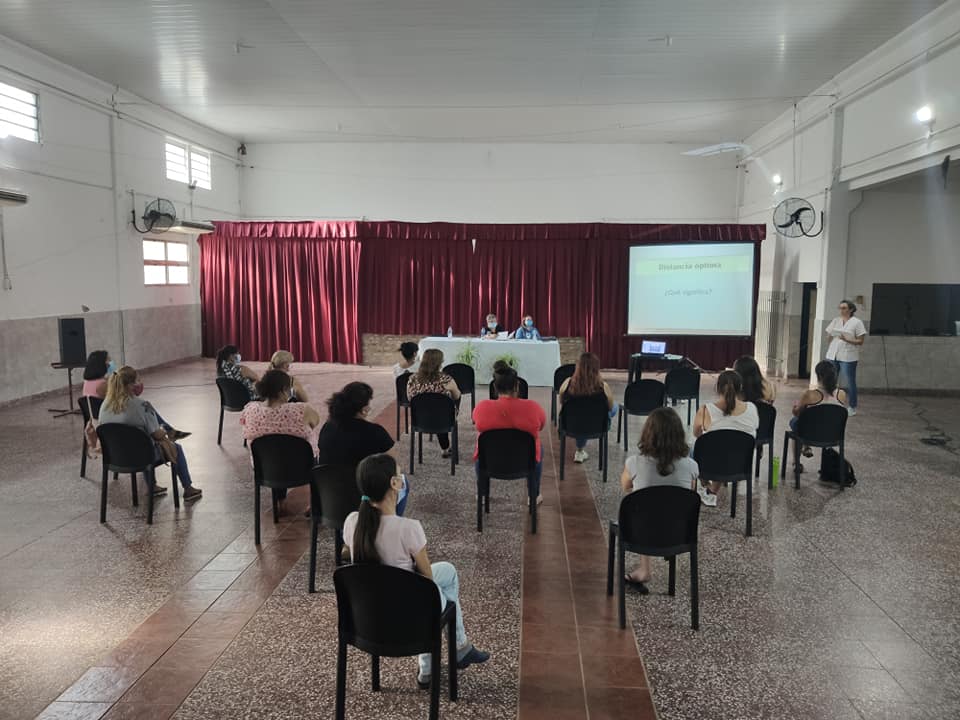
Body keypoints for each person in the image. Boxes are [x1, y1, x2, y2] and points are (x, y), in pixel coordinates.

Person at [342, 454, 490, 689]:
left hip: (367, 613)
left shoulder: (352, 522)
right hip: (408, 615)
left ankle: (450, 655)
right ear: (394, 484)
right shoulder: (409, 528)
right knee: (434, 589)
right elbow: (427, 579)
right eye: (399, 474)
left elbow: (349, 552)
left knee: (448, 571)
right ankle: (442, 658)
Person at [619, 407, 699, 592]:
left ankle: (644, 569)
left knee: (641, 506)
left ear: (648, 434)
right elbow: (690, 492)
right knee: (670, 505)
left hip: (640, 532)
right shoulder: (691, 466)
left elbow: (626, 487)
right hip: (679, 531)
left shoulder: (634, 463)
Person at [98, 365, 202, 501]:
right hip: (141, 457)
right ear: (130, 385)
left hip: (114, 458)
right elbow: (157, 435)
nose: (139, 384)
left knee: (141, 442)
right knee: (174, 448)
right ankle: (188, 489)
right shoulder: (141, 405)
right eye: (137, 381)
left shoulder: (104, 406)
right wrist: (164, 431)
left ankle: (152, 486)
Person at [317, 381, 409, 515]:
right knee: (402, 482)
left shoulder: (327, 427)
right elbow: (392, 464)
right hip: (363, 499)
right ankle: (389, 521)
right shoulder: (375, 432)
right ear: (364, 409)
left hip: (330, 497)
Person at [240, 370, 322, 510]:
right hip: (302, 467)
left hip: (266, 468)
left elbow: (244, 425)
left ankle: (279, 501)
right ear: (284, 390)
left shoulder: (250, 410)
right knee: (299, 450)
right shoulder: (302, 410)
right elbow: (315, 422)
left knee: (275, 451)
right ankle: (317, 505)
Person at [473, 363, 546, 505]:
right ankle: (533, 495)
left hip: (491, 460)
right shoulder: (533, 407)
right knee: (538, 447)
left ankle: (482, 493)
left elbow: (476, 423)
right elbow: (541, 426)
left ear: (495, 387)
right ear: (517, 386)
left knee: (480, 448)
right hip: (524, 460)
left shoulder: (482, 407)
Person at [692, 370, 759, 506]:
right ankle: (711, 491)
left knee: (695, 450)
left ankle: (704, 482)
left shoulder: (705, 410)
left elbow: (696, 434)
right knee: (728, 448)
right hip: (740, 463)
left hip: (711, 464)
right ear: (740, 387)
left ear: (718, 388)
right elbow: (754, 430)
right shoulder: (752, 408)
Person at [557, 352, 618, 464]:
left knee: (581, 415)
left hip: (572, 424)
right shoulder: (603, 386)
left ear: (578, 367)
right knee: (615, 407)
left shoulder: (567, 383)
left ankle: (580, 451)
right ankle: (593, 429)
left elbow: (562, 402)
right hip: (596, 425)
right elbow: (609, 408)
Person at [406, 349, 461, 459]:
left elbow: (409, 399)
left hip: (420, 419)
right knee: (449, 402)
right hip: (443, 418)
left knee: (435, 407)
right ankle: (445, 447)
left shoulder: (412, 379)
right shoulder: (446, 380)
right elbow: (457, 396)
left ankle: (445, 446)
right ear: (439, 363)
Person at [791, 361, 847, 461]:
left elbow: (797, 413)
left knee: (795, 421)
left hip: (810, 434)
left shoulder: (810, 394)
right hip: (833, 434)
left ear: (818, 376)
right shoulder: (842, 394)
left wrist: (795, 407)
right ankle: (805, 446)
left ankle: (796, 461)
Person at [825, 299, 867, 416]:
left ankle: (852, 407)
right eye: (840, 308)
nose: (841, 310)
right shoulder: (836, 320)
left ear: (851, 309)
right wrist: (830, 335)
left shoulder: (857, 322)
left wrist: (846, 339)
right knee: (831, 380)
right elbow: (828, 338)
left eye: (844, 308)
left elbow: (860, 341)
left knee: (850, 382)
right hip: (833, 354)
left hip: (848, 356)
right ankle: (831, 403)